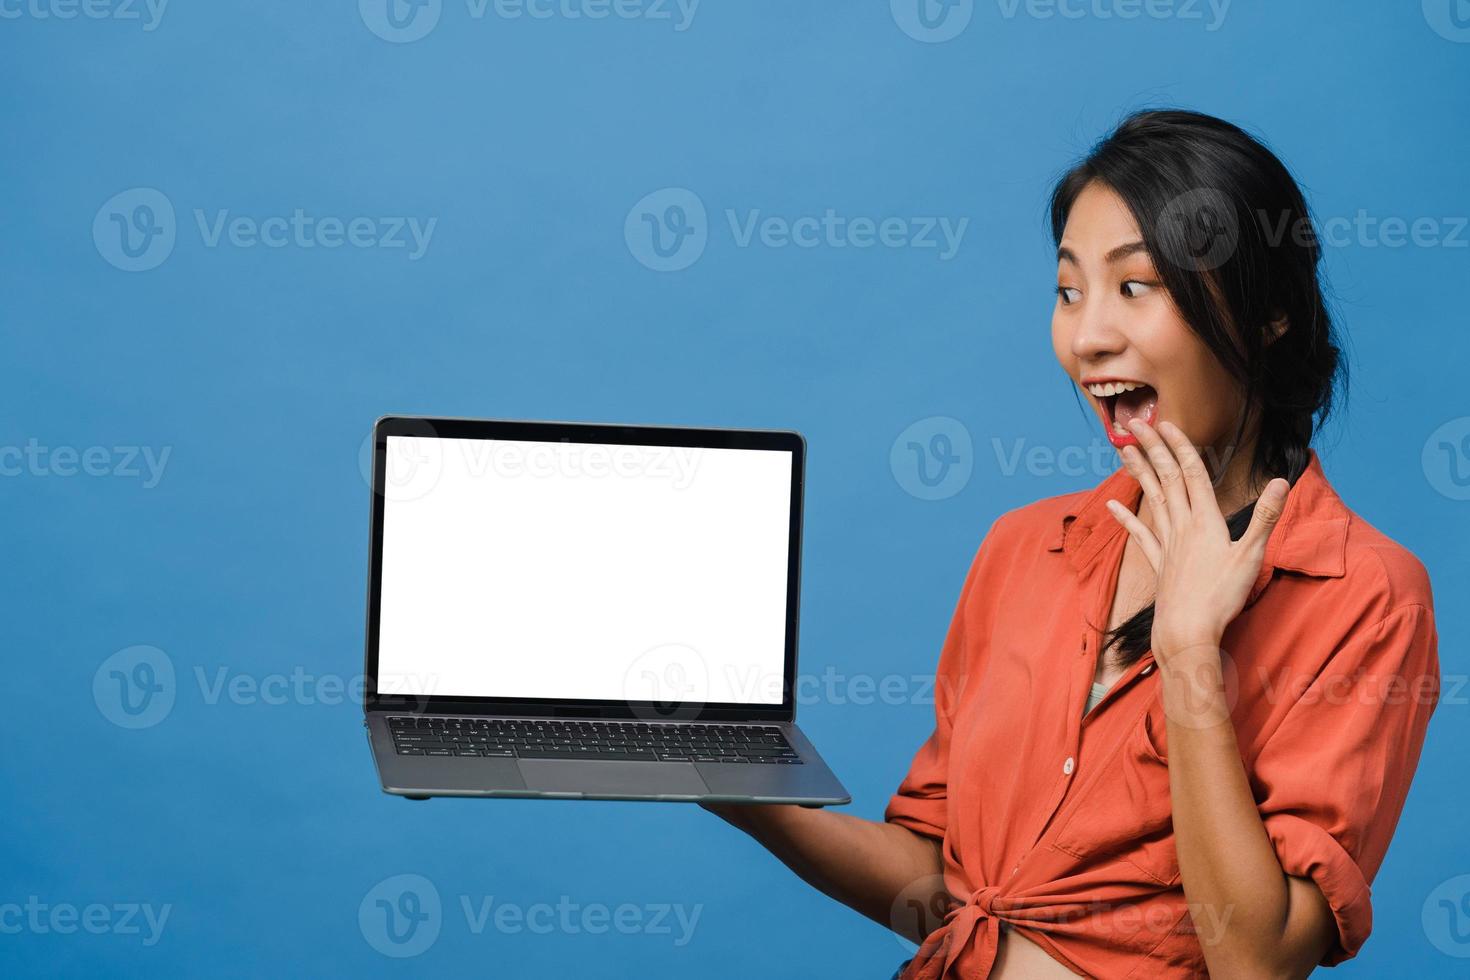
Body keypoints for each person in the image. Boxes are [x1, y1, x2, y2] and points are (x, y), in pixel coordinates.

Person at [703, 109, 1440, 978]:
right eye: (1068, 290)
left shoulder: (1364, 594)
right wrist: (750, 800)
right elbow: (953, 897)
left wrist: (1189, 649)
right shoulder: (1021, 550)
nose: (1088, 337)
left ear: (1270, 312)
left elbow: (1256, 960)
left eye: (1137, 287)